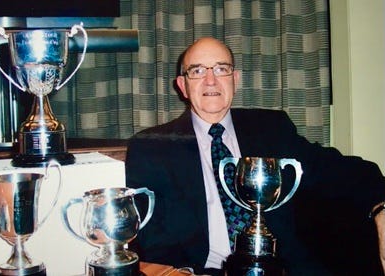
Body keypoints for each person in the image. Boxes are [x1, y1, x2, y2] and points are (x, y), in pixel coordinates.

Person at [125, 37, 385, 275]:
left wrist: (381, 206)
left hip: (284, 269)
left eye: (221, 69)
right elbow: (149, 239)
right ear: (182, 85)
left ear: (235, 79)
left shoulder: (271, 129)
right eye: (197, 71)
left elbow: (337, 169)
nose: (211, 80)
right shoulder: (152, 147)